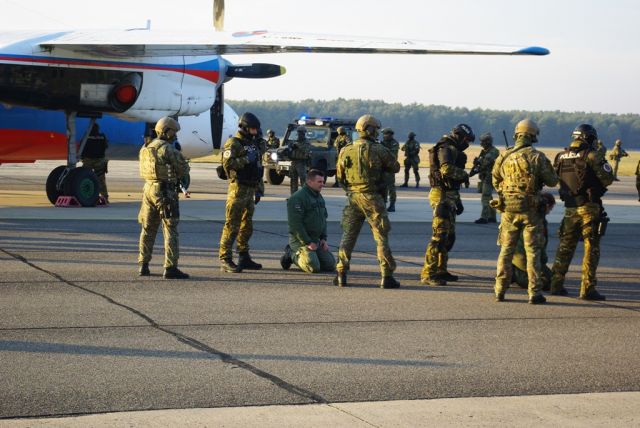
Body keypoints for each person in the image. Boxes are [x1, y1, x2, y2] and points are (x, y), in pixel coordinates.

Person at [492, 119, 558, 304]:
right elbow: (553, 181)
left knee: (506, 250)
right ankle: (534, 293)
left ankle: (499, 290)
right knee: (533, 252)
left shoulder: (504, 156)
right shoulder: (537, 157)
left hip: (508, 210)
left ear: (517, 134)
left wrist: (509, 192)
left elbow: (495, 180)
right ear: (533, 135)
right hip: (530, 211)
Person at [334, 114, 401, 289]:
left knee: (348, 235)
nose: (377, 132)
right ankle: (386, 275)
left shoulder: (345, 150)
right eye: (376, 129)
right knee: (380, 236)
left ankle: (341, 273)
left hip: (353, 197)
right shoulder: (379, 149)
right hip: (372, 198)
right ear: (369, 129)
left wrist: (352, 190)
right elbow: (395, 167)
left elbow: (340, 177)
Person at [550, 124, 614, 300]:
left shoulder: (561, 156)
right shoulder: (592, 155)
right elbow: (608, 179)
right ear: (589, 138)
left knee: (565, 247)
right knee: (591, 249)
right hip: (589, 207)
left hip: (570, 207)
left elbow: (556, 179)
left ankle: (555, 285)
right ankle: (587, 289)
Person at [420, 124, 475, 286]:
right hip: (441, 195)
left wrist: (458, 201)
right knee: (439, 236)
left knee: (448, 237)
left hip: (449, 195)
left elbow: (451, 182)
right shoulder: (446, 148)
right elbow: (446, 169)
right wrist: (464, 175)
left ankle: (441, 270)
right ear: (459, 136)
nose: (467, 144)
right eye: (466, 140)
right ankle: (428, 273)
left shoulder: (453, 149)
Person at [137, 116, 190, 279]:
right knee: (170, 228)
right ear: (166, 131)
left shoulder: (145, 148)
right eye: (173, 132)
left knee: (148, 228)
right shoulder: (168, 149)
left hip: (148, 190)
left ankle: (143, 265)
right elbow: (183, 170)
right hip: (165, 192)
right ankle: (170, 267)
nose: (175, 135)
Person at [219, 112, 266, 273]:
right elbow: (227, 165)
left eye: (256, 129)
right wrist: (246, 159)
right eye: (253, 129)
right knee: (232, 225)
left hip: (251, 188)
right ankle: (225, 258)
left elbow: (258, 165)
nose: (255, 132)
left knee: (247, 225)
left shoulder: (253, 143)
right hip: (238, 189)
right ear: (244, 128)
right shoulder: (234, 143)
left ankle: (244, 255)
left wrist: (259, 189)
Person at [280, 169, 336, 273]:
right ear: (310, 182)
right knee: (312, 266)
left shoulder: (318, 197)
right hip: (300, 240)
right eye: (319, 182)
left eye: (323, 181)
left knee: (330, 265)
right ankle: (291, 254)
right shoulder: (297, 198)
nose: (322, 184)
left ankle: (312, 255)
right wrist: (307, 242)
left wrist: (323, 239)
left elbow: (323, 219)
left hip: (315, 240)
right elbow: (295, 225)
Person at [511, 193, 555, 290]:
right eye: (550, 209)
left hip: (515, 259)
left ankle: (513, 272)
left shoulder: (523, 217)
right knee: (551, 282)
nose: (550, 212)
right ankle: (517, 276)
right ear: (547, 206)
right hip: (526, 261)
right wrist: (543, 264)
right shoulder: (539, 222)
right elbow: (540, 249)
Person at [472, 132, 500, 224]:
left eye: (483, 142)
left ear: (487, 142)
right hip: (486, 177)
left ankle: (484, 217)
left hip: (489, 177)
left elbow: (485, 163)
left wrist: (479, 163)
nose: (481, 143)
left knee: (485, 197)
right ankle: (492, 217)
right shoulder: (485, 152)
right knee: (489, 197)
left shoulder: (493, 152)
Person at [81, 123, 109, 203]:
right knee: (101, 180)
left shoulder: (86, 137)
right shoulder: (102, 136)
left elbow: (82, 147)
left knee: (85, 178)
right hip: (99, 160)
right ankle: (105, 197)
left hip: (88, 160)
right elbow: (105, 146)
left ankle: (86, 196)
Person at [380, 128, 400, 212]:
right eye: (383, 134)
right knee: (382, 187)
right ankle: (383, 203)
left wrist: (383, 148)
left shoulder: (394, 143)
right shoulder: (382, 143)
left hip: (390, 168)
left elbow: (392, 155)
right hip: (382, 167)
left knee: (391, 187)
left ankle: (392, 205)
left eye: (385, 134)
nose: (384, 136)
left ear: (390, 134)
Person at [289, 125, 311, 194]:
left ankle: (304, 195)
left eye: (301, 132)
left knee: (303, 179)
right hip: (294, 162)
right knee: (293, 179)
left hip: (301, 162)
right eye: (298, 132)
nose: (299, 134)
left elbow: (306, 150)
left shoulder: (306, 142)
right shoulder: (295, 141)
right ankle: (293, 195)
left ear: (304, 133)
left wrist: (297, 146)